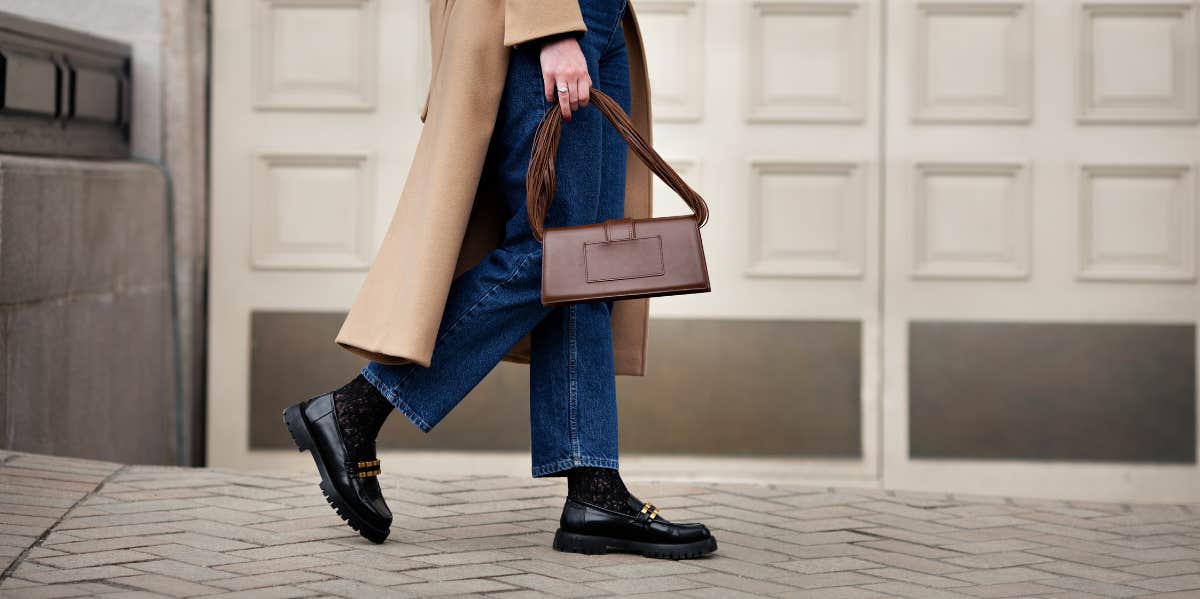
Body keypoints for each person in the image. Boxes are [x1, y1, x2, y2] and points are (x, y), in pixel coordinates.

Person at [282, 0, 716, 560]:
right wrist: (552, 27)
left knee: (589, 264)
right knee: (557, 256)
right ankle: (356, 408)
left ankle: (595, 492)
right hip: (557, 17)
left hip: (599, 19)